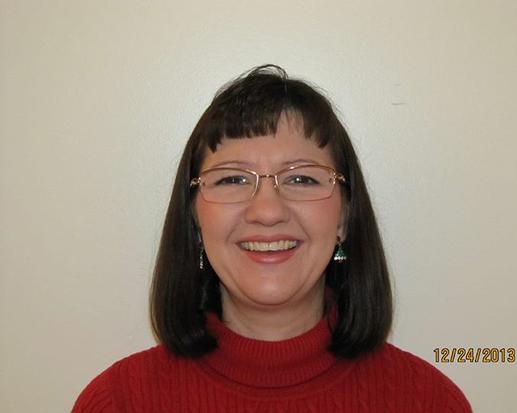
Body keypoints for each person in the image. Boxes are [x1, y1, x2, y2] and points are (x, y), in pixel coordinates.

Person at [72, 65, 472, 412]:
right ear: (194, 219)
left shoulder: (430, 403)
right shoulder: (117, 403)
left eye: (302, 178)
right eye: (232, 179)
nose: (267, 211)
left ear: (345, 218)